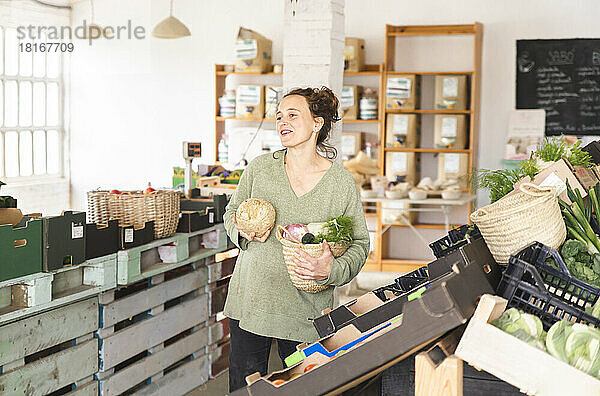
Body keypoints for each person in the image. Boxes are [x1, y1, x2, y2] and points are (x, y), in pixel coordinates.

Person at [222, 86, 370, 392]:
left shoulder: (340, 182)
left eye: (292, 114)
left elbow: (359, 243)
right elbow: (231, 212)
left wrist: (332, 271)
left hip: (307, 311)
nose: (282, 122)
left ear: (317, 123)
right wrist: (242, 230)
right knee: (243, 389)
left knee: (307, 389)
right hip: (252, 302)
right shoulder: (260, 169)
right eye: (278, 116)